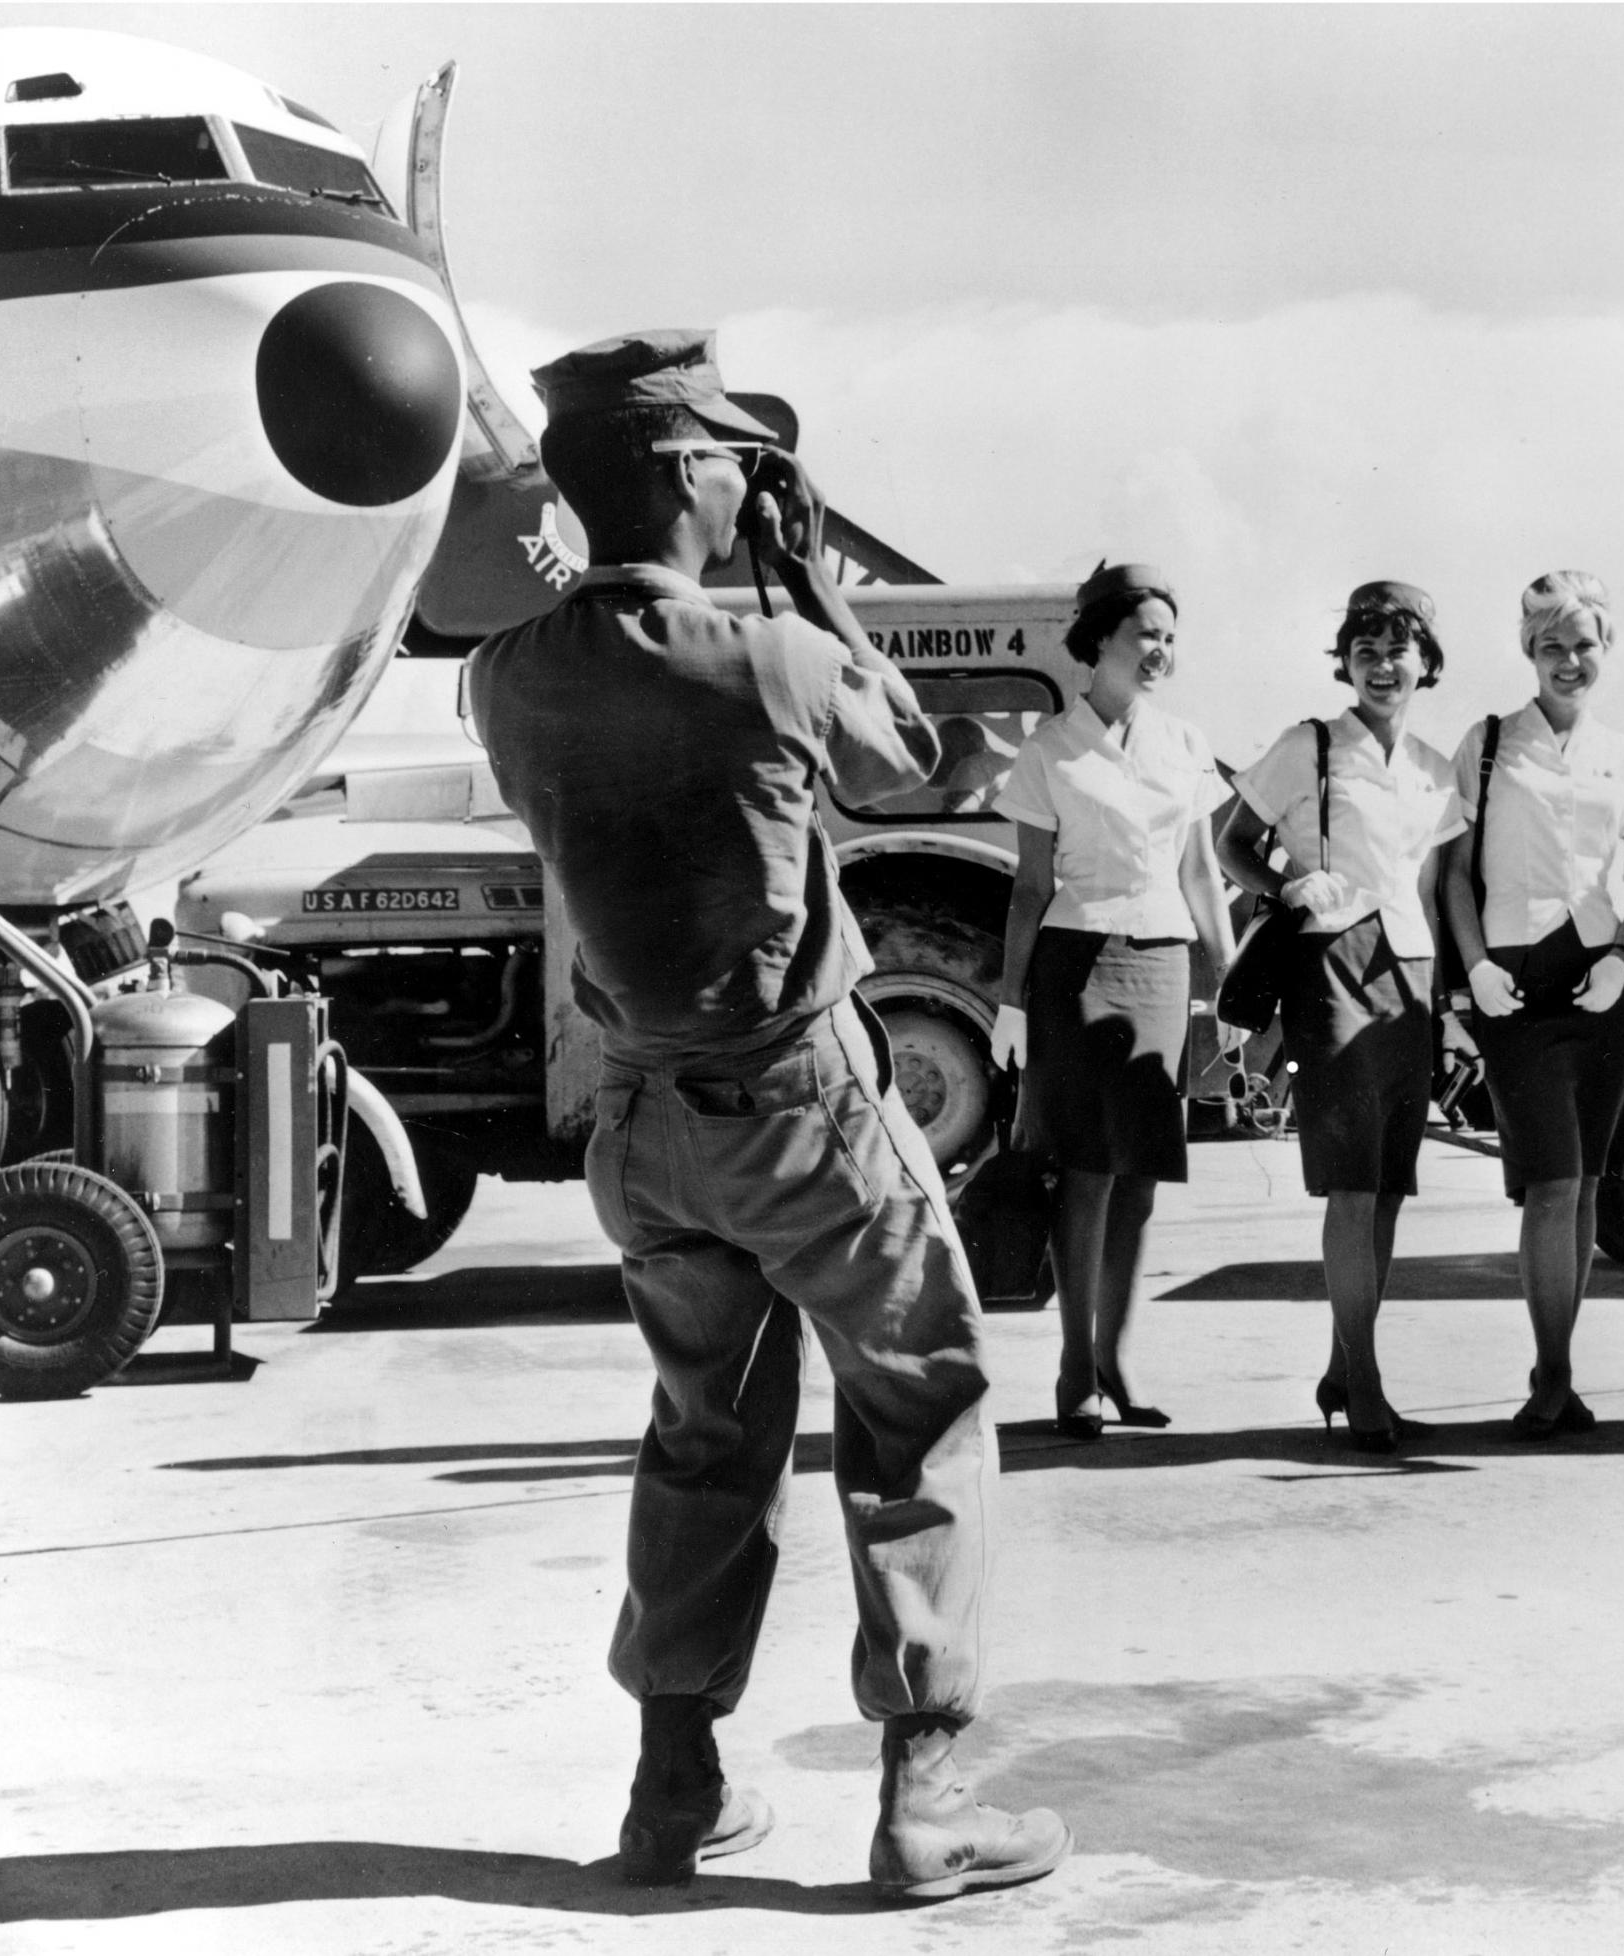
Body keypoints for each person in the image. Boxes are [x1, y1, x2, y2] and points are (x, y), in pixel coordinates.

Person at [467, 331, 1067, 1898]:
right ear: (685, 471)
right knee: (918, 1404)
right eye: (736, 453)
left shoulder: (505, 680)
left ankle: (673, 1792)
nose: (755, 477)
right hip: (803, 1114)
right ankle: (926, 1804)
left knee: (703, 1433)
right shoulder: (780, 656)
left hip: (641, 1124)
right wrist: (811, 585)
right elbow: (912, 754)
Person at [988, 563, 1243, 1439]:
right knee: (1087, 1171)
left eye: (1172, 637)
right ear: (1099, 641)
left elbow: (1202, 872)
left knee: (1140, 1174)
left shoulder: (1184, 743)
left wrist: (1231, 977)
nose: (1162, 651)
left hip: (1164, 961)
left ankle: (1117, 1360)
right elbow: (1028, 887)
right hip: (1076, 961)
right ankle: (1073, 1370)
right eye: (1147, 635)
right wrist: (1010, 1004)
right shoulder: (1048, 748)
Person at [1217, 581, 1465, 1454]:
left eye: (1399, 648)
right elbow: (1230, 842)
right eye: (1365, 648)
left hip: (1417, 978)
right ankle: (1364, 1387)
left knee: (1390, 1190)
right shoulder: (1308, 746)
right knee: (1352, 1189)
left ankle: (1342, 1365)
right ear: (1346, 662)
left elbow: (1443, 887)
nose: (1382, 663)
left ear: (1426, 663)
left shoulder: (1438, 768)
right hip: (1334, 968)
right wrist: (1285, 884)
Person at [1443, 573, 1624, 1437]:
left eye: (1584, 645)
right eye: (1552, 647)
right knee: (1548, 1182)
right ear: (1528, 653)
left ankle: (1560, 1372)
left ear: (1605, 648)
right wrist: (1474, 970)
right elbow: (1455, 875)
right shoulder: (1489, 743)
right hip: (1516, 979)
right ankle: (1550, 1375)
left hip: (1599, 980)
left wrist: (1622, 957)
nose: (1569, 662)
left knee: (1582, 1189)